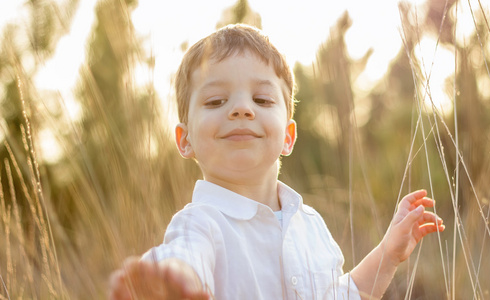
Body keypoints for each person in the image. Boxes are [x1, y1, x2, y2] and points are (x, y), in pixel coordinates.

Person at [108, 24, 444, 300]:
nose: (241, 109)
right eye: (215, 101)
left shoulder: (311, 226)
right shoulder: (201, 224)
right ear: (185, 140)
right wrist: (170, 282)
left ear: (288, 136)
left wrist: (387, 254)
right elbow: (185, 258)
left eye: (262, 98)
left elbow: (342, 294)